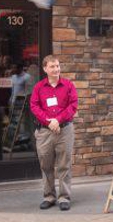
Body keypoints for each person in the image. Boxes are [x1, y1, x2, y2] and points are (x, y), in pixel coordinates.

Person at [30, 55, 78, 211]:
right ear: (45, 69)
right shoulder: (38, 87)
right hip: (45, 132)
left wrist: (57, 120)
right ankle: (49, 196)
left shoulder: (69, 85)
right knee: (46, 165)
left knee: (64, 165)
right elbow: (34, 106)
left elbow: (73, 105)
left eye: (57, 66)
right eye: (52, 66)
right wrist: (48, 122)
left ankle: (64, 197)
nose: (56, 69)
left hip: (64, 130)